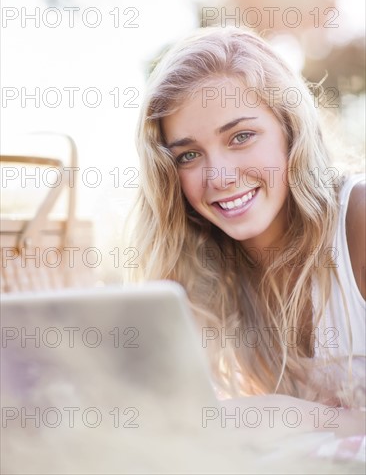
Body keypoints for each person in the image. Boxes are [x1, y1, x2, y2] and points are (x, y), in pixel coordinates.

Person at [123, 26, 365, 410]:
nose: (219, 176)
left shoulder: (358, 220)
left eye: (241, 137)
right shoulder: (202, 272)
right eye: (189, 155)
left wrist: (296, 418)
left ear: (290, 129)